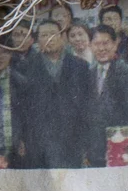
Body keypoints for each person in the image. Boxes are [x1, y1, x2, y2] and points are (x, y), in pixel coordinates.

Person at [13, 20, 91, 169]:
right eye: (44, 35)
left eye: (53, 34)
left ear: (62, 37)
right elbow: (19, 108)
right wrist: (20, 139)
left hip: (72, 141)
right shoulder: (25, 67)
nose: (49, 38)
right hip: (37, 142)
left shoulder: (80, 66)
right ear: (37, 40)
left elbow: (86, 107)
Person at [83, 28, 128, 164]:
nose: (101, 48)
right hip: (94, 149)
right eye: (96, 44)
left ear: (115, 44)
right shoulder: (88, 74)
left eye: (106, 43)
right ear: (90, 46)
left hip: (120, 146)